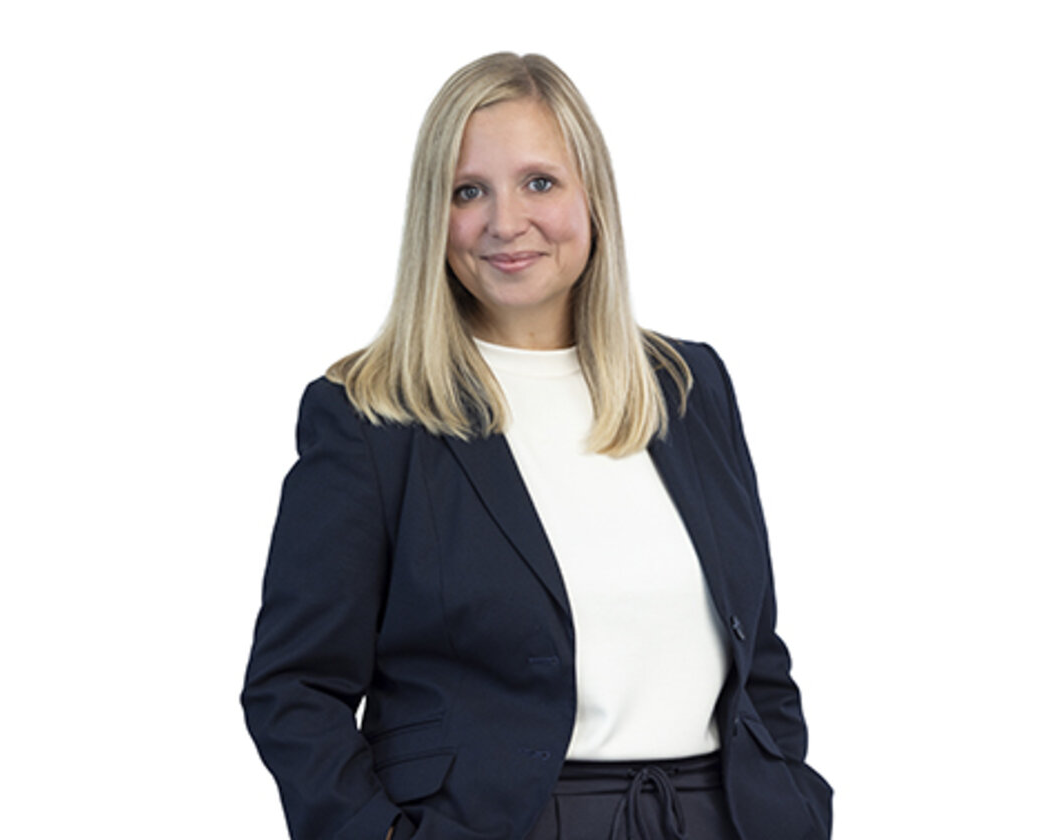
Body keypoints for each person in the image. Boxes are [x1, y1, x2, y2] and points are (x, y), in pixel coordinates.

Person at [241, 52, 833, 840]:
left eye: (540, 183)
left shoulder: (688, 389)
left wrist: (794, 803)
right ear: (432, 214)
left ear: (594, 196)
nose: (505, 222)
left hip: (716, 816)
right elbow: (294, 689)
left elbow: (756, 654)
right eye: (468, 191)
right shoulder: (371, 416)